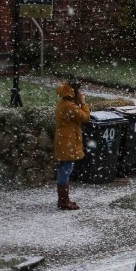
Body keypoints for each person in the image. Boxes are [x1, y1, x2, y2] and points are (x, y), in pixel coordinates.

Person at [54, 78, 91, 210]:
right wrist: (83, 103)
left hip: (64, 140)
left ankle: (63, 199)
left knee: (64, 168)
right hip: (67, 142)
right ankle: (63, 201)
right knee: (66, 169)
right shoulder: (70, 106)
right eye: (79, 90)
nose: (81, 92)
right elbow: (85, 117)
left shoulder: (64, 103)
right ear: (73, 91)